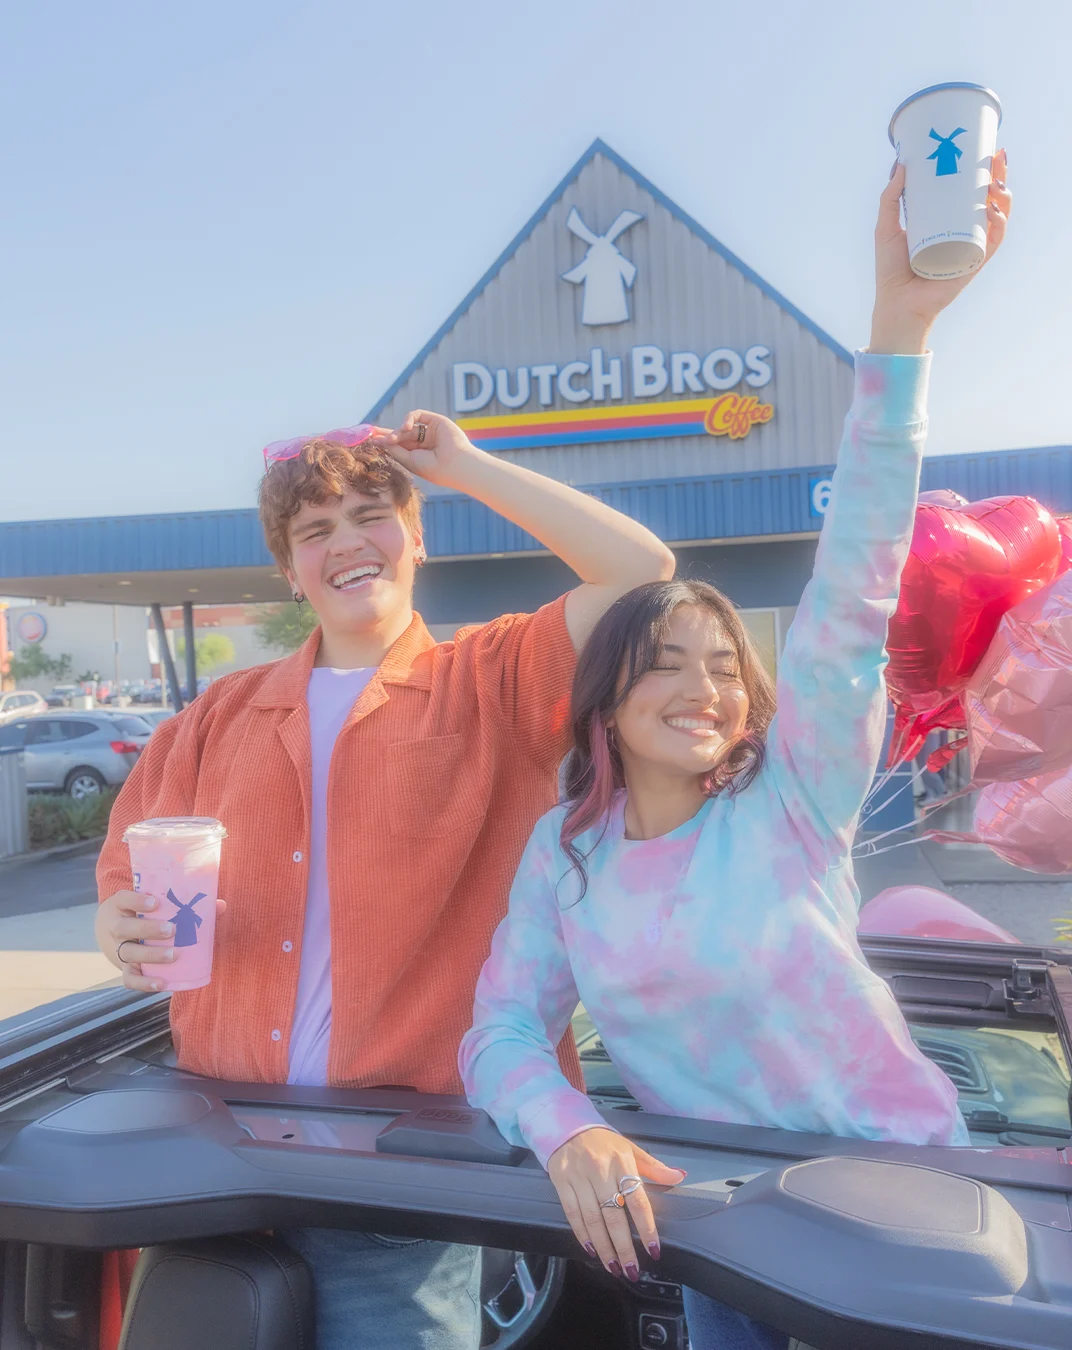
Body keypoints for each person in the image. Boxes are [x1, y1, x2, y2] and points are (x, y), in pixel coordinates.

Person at [460, 151, 1011, 1350]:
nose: (702, 685)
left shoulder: (793, 798)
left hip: (904, 1218)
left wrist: (899, 327)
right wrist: (569, 1128)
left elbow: (857, 578)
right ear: (605, 699)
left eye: (723, 664)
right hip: (718, 1231)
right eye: (665, 659)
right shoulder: (567, 853)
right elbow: (499, 1031)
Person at [94, 413, 674, 1350]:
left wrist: (469, 468)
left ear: (417, 536)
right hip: (220, 1149)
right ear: (290, 569)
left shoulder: (489, 679)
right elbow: (131, 858)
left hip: (399, 1165)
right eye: (314, 531)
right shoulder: (219, 713)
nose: (346, 544)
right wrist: (117, 923)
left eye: (371, 515)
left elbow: (639, 572)